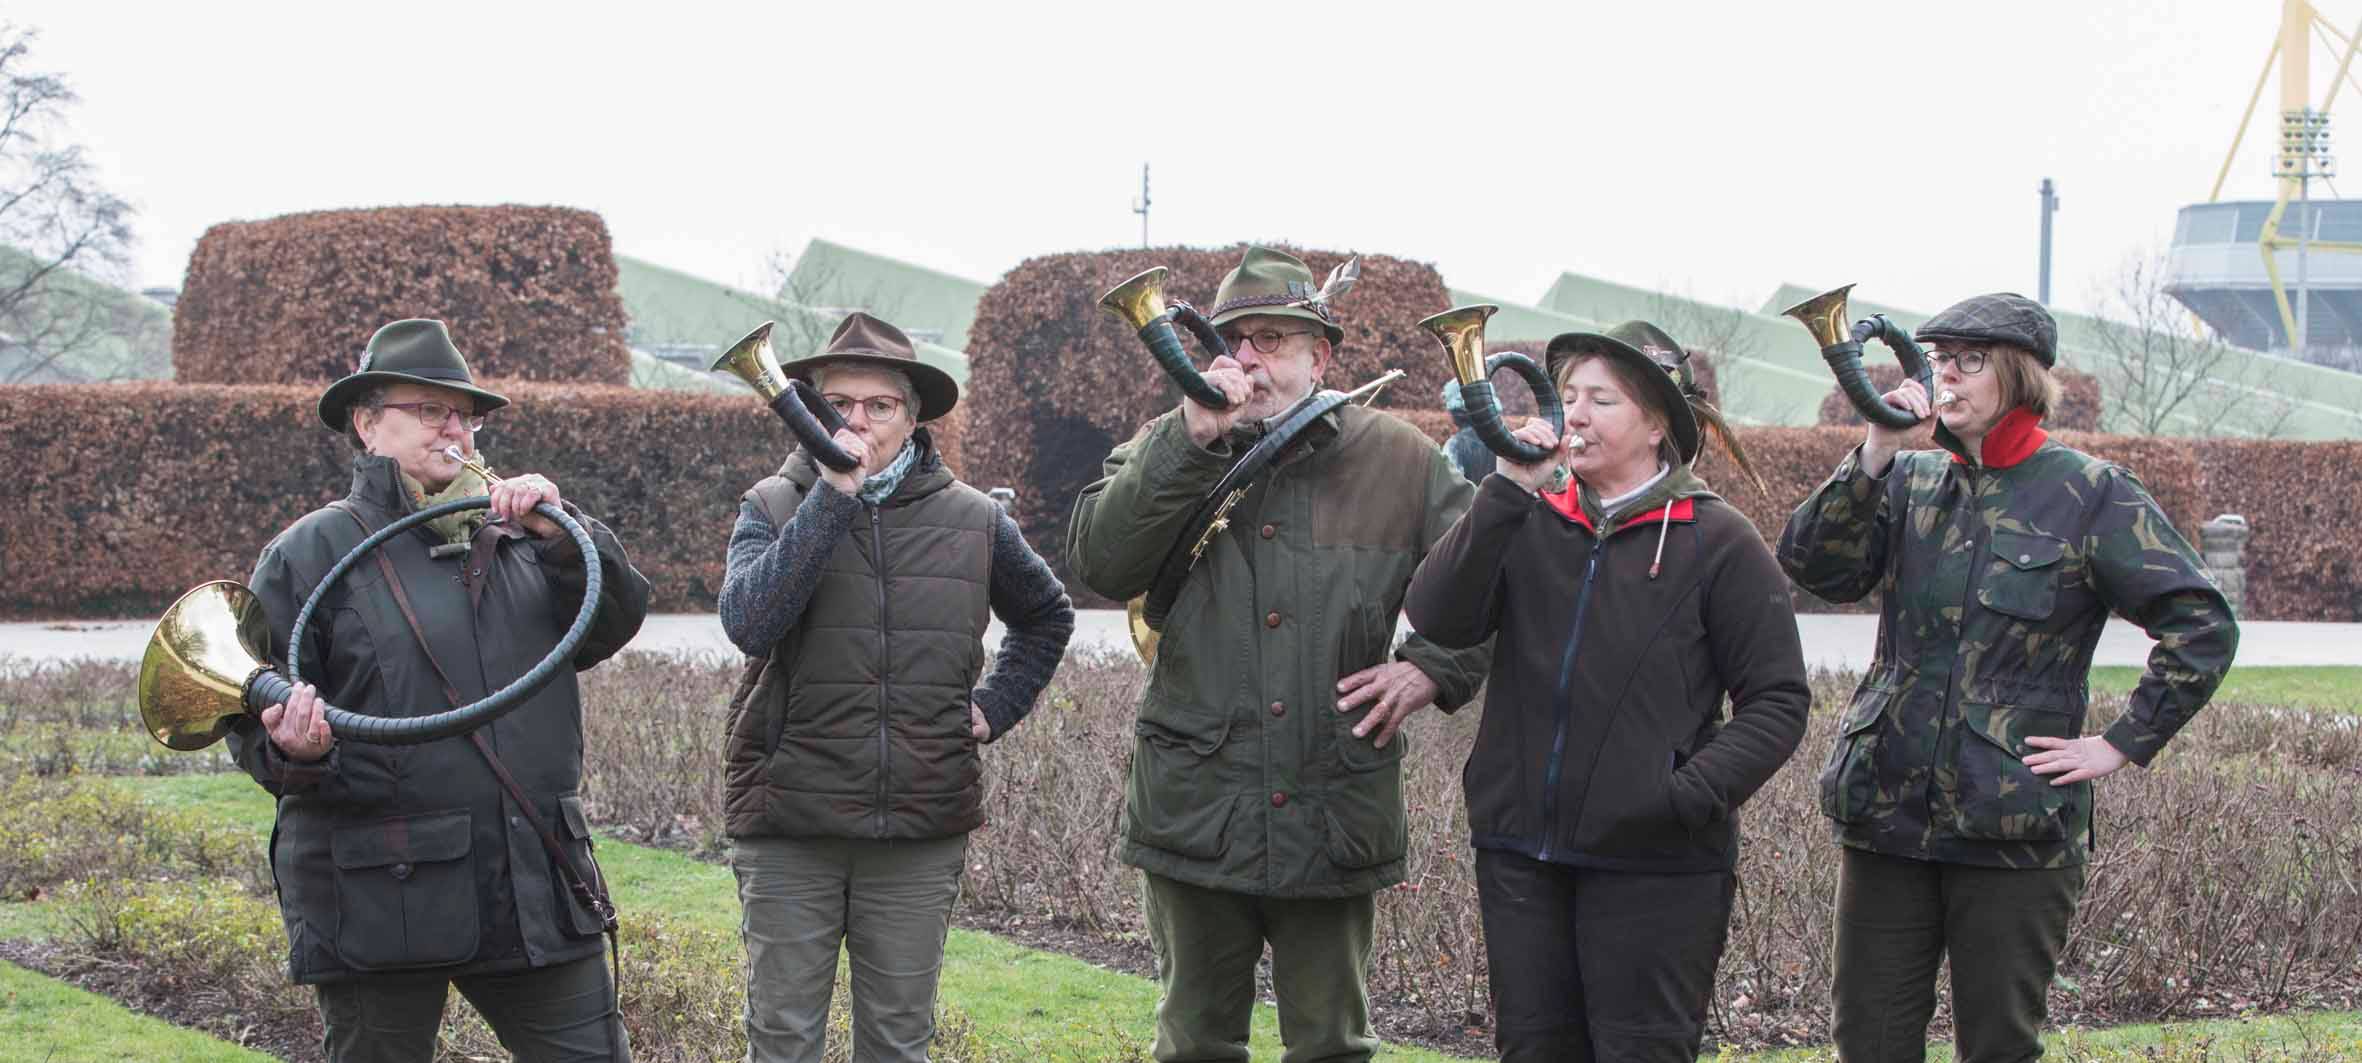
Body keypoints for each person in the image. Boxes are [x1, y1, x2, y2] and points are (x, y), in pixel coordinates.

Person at [1779, 293, 2240, 1062]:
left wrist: (2120, 742)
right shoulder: (1910, 481)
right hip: (1887, 817)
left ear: (2019, 376)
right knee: (1871, 1043)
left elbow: (2203, 624)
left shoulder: (2090, 494)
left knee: (1997, 1047)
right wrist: (1873, 451)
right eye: (1939, 359)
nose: (1946, 377)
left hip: (2014, 832)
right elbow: (1813, 565)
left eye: (1969, 361)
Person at [1068, 246, 1491, 1063]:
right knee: (1195, 1046)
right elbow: (1099, 559)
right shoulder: (1169, 443)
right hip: (1199, 813)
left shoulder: (1399, 458)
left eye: (1276, 338)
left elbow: (1498, 577)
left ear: (1319, 356)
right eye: (1239, 339)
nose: (1253, 356)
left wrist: (1432, 667)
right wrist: (1190, 444)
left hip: (1334, 809)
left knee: (1332, 1048)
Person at [230, 318, 652, 1062]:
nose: (454, 426)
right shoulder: (311, 552)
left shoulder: (528, 532)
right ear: (366, 423)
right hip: (379, 895)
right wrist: (295, 750)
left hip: (535, 880)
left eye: (463, 412)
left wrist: (567, 530)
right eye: (429, 409)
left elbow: (611, 621)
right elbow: (249, 711)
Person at [1405, 320, 1809, 1061]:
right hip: (1521, 856)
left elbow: (1779, 700)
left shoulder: (1719, 541)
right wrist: (1503, 491)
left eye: (1603, 399)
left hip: (1657, 869)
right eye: (1569, 397)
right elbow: (1437, 617)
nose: (1576, 415)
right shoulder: (1526, 516)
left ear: (1657, 424)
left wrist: (1680, 796)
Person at [718, 311, 1076, 1063]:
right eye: (840, 402)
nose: (859, 420)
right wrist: (831, 498)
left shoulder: (973, 518)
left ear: (912, 419)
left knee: (898, 1045)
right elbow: (750, 621)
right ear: (810, 407)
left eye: (880, 405)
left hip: (917, 828)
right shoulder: (772, 505)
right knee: (781, 1041)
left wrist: (994, 706)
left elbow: (1046, 616)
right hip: (790, 825)